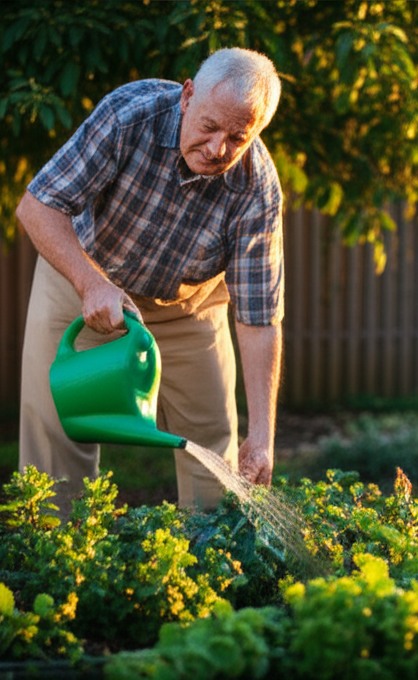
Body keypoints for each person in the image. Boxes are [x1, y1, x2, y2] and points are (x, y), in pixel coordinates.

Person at [16, 47, 284, 512]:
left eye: (237, 138)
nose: (218, 149)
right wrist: (90, 283)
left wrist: (262, 435)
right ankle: (55, 562)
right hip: (82, 277)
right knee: (55, 423)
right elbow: (37, 206)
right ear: (187, 97)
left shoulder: (257, 188)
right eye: (208, 127)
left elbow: (260, 315)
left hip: (189, 307)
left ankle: (209, 567)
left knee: (213, 442)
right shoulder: (129, 117)